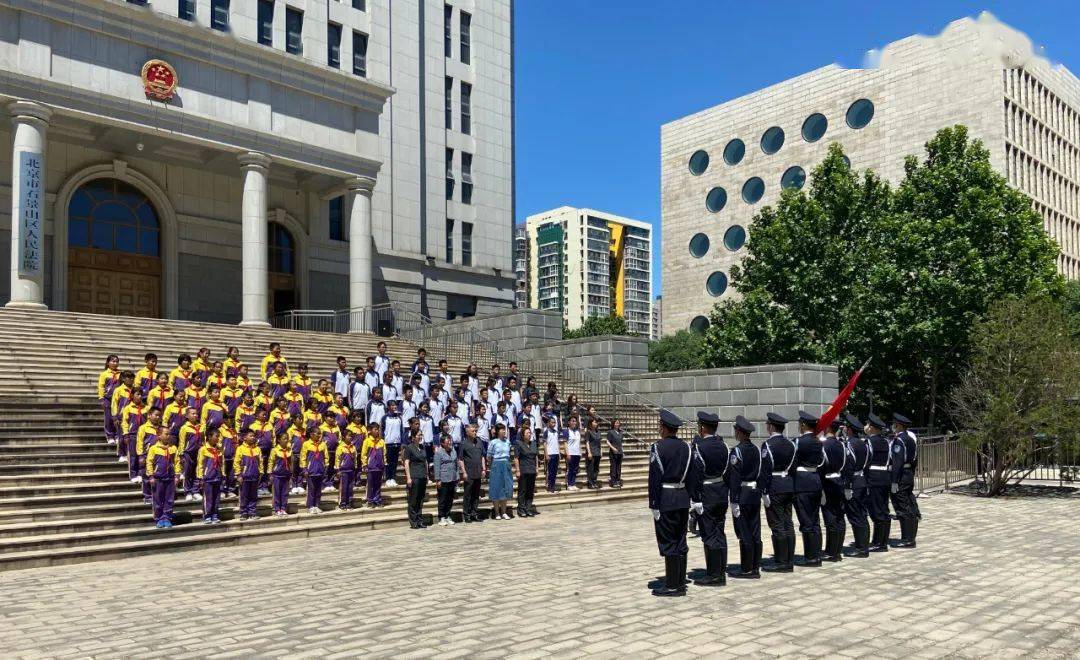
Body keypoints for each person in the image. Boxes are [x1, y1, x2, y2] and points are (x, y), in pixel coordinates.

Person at [648, 409, 691, 597]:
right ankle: (680, 582)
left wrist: (654, 503)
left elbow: (655, 477)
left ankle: (672, 585)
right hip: (682, 497)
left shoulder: (658, 448)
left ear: (664, 428)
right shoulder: (687, 448)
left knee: (668, 541)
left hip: (666, 498)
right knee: (681, 540)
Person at [686, 411, 729, 587]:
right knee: (719, 532)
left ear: (702, 427)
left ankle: (714, 575)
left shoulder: (699, 448)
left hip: (707, 493)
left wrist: (695, 499)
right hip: (720, 491)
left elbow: (695, 474)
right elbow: (728, 471)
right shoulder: (724, 446)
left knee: (709, 535)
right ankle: (720, 570)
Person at [760, 412, 796, 573]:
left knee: (777, 524)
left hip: (774, 486)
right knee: (788, 523)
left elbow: (765, 471)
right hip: (788, 484)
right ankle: (789, 558)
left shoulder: (768, 446)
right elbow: (794, 468)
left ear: (771, 426)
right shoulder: (791, 444)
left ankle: (781, 562)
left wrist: (764, 491)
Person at [727, 415, 763, 579]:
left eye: (736, 430)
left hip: (742, 494)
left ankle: (746, 569)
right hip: (754, 493)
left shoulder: (737, 451)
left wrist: (733, 500)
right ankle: (755, 567)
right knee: (755, 531)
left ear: (740, 432)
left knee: (744, 532)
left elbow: (734, 478)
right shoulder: (756, 449)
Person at [792, 410, 826, 567]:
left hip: (803, 483)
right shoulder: (819, 442)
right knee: (815, 520)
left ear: (803, 425)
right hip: (815, 481)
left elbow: (793, 461)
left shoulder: (798, 442)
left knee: (806, 521)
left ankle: (810, 557)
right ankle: (817, 553)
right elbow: (821, 461)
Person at [865, 414, 900, 552]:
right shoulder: (887, 441)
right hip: (885, 476)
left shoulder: (869, 442)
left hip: (873, 478)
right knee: (884, 510)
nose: (866, 427)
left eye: (868, 424)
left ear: (872, 428)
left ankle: (879, 543)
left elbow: (866, 460)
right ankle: (881, 540)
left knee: (876, 511)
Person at [821, 419, 854, 562]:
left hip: (827, 482)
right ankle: (837, 550)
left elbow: (820, 467)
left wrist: (820, 488)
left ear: (828, 427)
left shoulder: (823, 445)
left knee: (830, 518)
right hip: (839, 481)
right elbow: (848, 465)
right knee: (840, 517)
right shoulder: (842, 444)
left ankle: (832, 552)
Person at [842, 413, 872, 557]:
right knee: (862, 514)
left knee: (855, 516)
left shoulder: (850, 445)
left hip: (853, 482)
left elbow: (848, 467)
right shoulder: (864, 443)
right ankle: (864, 545)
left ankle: (861, 548)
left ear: (849, 430)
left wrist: (847, 486)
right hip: (862, 481)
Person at [890, 413, 921, 548]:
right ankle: (910, 536)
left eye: (894, 424)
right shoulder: (910, 439)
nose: (893, 427)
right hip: (908, 473)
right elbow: (914, 459)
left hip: (901, 475)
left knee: (903, 507)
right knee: (909, 505)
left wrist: (894, 481)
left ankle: (907, 539)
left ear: (899, 425)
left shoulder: (900, 440)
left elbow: (897, 462)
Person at [146, 432, 181, 529]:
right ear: (159, 436)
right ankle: (159, 518)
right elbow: (149, 462)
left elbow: (177, 462)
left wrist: (177, 475)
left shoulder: (173, 448)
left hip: (170, 478)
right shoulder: (154, 449)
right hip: (158, 478)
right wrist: (151, 476)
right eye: (166, 434)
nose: (168, 436)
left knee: (169, 499)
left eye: (169, 434)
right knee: (158, 499)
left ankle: (167, 518)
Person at [459, 424, 486, 523]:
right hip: (469, 473)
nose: (475, 432)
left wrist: (483, 469)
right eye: (473, 431)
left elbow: (482, 456)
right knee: (468, 495)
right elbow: (461, 459)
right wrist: (464, 472)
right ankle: (467, 515)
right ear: (467, 432)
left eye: (475, 431)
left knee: (476, 495)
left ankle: (474, 513)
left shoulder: (479, 442)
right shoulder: (463, 444)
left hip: (478, 472)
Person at [197, 428, 225, 524]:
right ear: (209, 437)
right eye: (216, 436)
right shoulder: (203, 449)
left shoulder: (219, 449)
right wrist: (200, 477)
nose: (218, 439)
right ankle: (207, 515)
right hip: (207, 478)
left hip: (217, 476)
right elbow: (200, 464)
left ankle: (215, 514)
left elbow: (222, 463)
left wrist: (223, 474)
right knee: (208, 498)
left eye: (219, 436)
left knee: (216, 498)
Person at [487, 423, 514, 520]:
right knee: (496, 487)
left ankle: (504, 511)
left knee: (505, 487)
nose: (504, 431)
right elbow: (489, 457)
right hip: (496, 465)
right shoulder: (493, 442)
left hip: (506, 465)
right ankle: (497, 512)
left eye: (505, 429)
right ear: (498, 431)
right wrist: (491, 467)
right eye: (502, 430)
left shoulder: (508, 442)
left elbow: (510, 454)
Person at [234, 430, 262, 520]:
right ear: (244, 438)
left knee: (254, 495)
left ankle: (252, 512)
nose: (253, 437)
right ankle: (243, 512)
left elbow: (260, 462)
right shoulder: (240, 448)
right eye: (250, 436)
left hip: (255, 476)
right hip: (244, 477)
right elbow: (236, 462)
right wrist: (238, 474)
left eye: (254, 436)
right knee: (244, 495)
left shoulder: (257, 449)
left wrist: (260, 472)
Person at [404, 429, 429, 529]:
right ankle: (413, 521)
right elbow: (406, 463)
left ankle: (419, 520)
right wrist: (408, 478)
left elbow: (425, 461)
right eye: (419, 435)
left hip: (422, 476)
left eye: (421, 435)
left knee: (420, 499)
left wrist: (427, 474)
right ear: (413, 437)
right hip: (414, 476)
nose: (420, 436)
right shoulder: (409, 448)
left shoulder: (422, 447)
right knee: (413, 500)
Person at [300, 427, 329, 514]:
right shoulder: (306, 444)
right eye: (318, 433)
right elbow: (303, 457)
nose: (320, 435)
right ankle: (311, 506)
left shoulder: (323, 444)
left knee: (318, 490)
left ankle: (317, 505)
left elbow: (326, 457)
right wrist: (304, 469)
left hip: (320, 470)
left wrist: (325, 466)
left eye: (320, 434)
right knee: (311, 490)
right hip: (311, 471)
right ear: (311, 434)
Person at [433, 435, 460, 526]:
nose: (449, 443)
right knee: (442, 499)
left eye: (450, 442)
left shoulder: (453, 451)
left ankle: (448, 515)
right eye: (447, 442)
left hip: (452, 478)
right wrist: (438, 479)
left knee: (450, 499)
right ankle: (442, 517)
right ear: (442, 443)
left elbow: (456, 465)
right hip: (443, 479)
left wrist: (457, 477)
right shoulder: (438, 453)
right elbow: (437, 467)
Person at [513, 426, 539, 518]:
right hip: (523, 470)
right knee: (522, 490)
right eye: (527, 433)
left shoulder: (533, 444)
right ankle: (521, 509)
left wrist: (536, 468)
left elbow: (535, 456)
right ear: (523, 435)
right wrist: (517, 470)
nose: (529, 434)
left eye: (530, 433)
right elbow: (516, 458)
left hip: (532, 470)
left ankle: (528, 508)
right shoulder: (518, 444)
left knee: (530, 491)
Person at [111, 370, 136, 462]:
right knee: (121, 436)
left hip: (133, 415)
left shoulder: (135, 390)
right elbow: (114, 404)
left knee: (129, 436)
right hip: (121, 417)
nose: (130, 379)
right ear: (123, 379)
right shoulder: (118, 390)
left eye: (132, 378)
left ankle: (129, 452)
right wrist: (115, 416)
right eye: (128, 378)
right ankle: (122, 454)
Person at [98, 354, 121, 445]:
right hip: (108, 398)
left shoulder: (121, 374)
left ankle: (117, 435)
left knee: (117, 417)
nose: (115, 363)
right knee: (108, 417)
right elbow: (101, 386)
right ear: (108, 363)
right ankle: (110, 436)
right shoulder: (104, 374)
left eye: (116, 361)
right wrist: (102, 398)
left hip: (118, 399)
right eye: (113, 361)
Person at [361, 423, 386, 507]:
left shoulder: (381, 441)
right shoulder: (367, 441)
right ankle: (370, 500)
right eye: (375, 429)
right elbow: (364, 454)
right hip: (370, 467)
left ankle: (377, 499)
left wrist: (384, 463)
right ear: (370, 431)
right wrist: (364, 464)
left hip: (379, 466)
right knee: (370, 484)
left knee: (378, 484)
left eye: (378, 429)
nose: (377, 431)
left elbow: (384, 454)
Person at [269, 432, 292, 517]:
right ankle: (277, 509)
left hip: (286, 475)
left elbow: (290, 462)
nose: (286, 440)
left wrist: (291, 472)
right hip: (277, 475)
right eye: (284, 438)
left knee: (285, 493)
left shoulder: (289, 450)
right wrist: (270, 473)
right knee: (277, 493)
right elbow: (271, 462)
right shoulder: (275, 450)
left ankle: (283, 508)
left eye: (287, 438)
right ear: (279, 440)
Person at [382, 400, 404, 487]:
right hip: (388, 443)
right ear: (388, 407)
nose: (395, 407)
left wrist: (401, 442)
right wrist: (383, 441)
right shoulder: (385, 418)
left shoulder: (399, 418)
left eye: (395, 405)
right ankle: (388, 478)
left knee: (394, 462)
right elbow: (382, 430)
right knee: (388, 462)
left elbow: (401, 431)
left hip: (397, 443)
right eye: (392, 405)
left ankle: (393, 478)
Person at [336, 432, 359, 510]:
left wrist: (355, 467)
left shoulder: (353, 447)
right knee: (344, 488)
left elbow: (355, 458)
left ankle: (348, 503)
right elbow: (337, 459)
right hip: (343, 470)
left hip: (351, 470)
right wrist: (338, 470)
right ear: (343, 437)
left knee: (350, 488)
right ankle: (342, 503)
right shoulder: (340, 447)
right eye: (348, 436)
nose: (350, 437)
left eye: (351, 436)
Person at [541, 415, 561, 493]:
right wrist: (546, 454)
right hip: (550, 454)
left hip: (556, 454)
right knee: (550, 472)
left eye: (555, 422)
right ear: (548, 423)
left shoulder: (556, 432)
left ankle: (553, 486)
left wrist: (559, 453)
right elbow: (545, 443)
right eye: (552, 422)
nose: (554, 424)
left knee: (555, 471)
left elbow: (557, 443)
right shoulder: (546, 431)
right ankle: (550, 487)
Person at [563, 415, 582, 491]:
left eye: (575, 421)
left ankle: (573, 483)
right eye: (573, 421)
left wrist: (580, 452)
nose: (574, 422)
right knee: (570, 469)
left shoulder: (577, 432)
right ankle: (569, 484)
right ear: (569, 422)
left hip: (577, 453)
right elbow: (565, 443)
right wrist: (567, 453)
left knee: (575, 469)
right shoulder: (566, 431)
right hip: (570, 453)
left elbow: (579, 443)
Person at [584, 417, 603, 489]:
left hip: (597, 452)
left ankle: (594, 482)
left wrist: (601, 451)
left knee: (596, 468)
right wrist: (589, 452)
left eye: (596, 422)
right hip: (591, 452)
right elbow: (587, 442)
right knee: (590, 468)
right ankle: (590, 483)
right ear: (590, 423)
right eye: (594, 422)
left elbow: (599, 443)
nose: (596, 423)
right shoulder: (588, 432)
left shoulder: (599, 432)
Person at [606, 419, 625, 488]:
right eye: (616, 423)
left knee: (618, 467)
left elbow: (621, 443)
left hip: (620, 452)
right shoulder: (610, 432)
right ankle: (613, 481)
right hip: (613, 452)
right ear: (613, 424)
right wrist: (613, 448)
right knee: (613, 466)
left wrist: (622, 450)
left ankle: (618, 480)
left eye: (618, 423)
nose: (617, 424)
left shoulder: (621, 432)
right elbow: (607, 442)